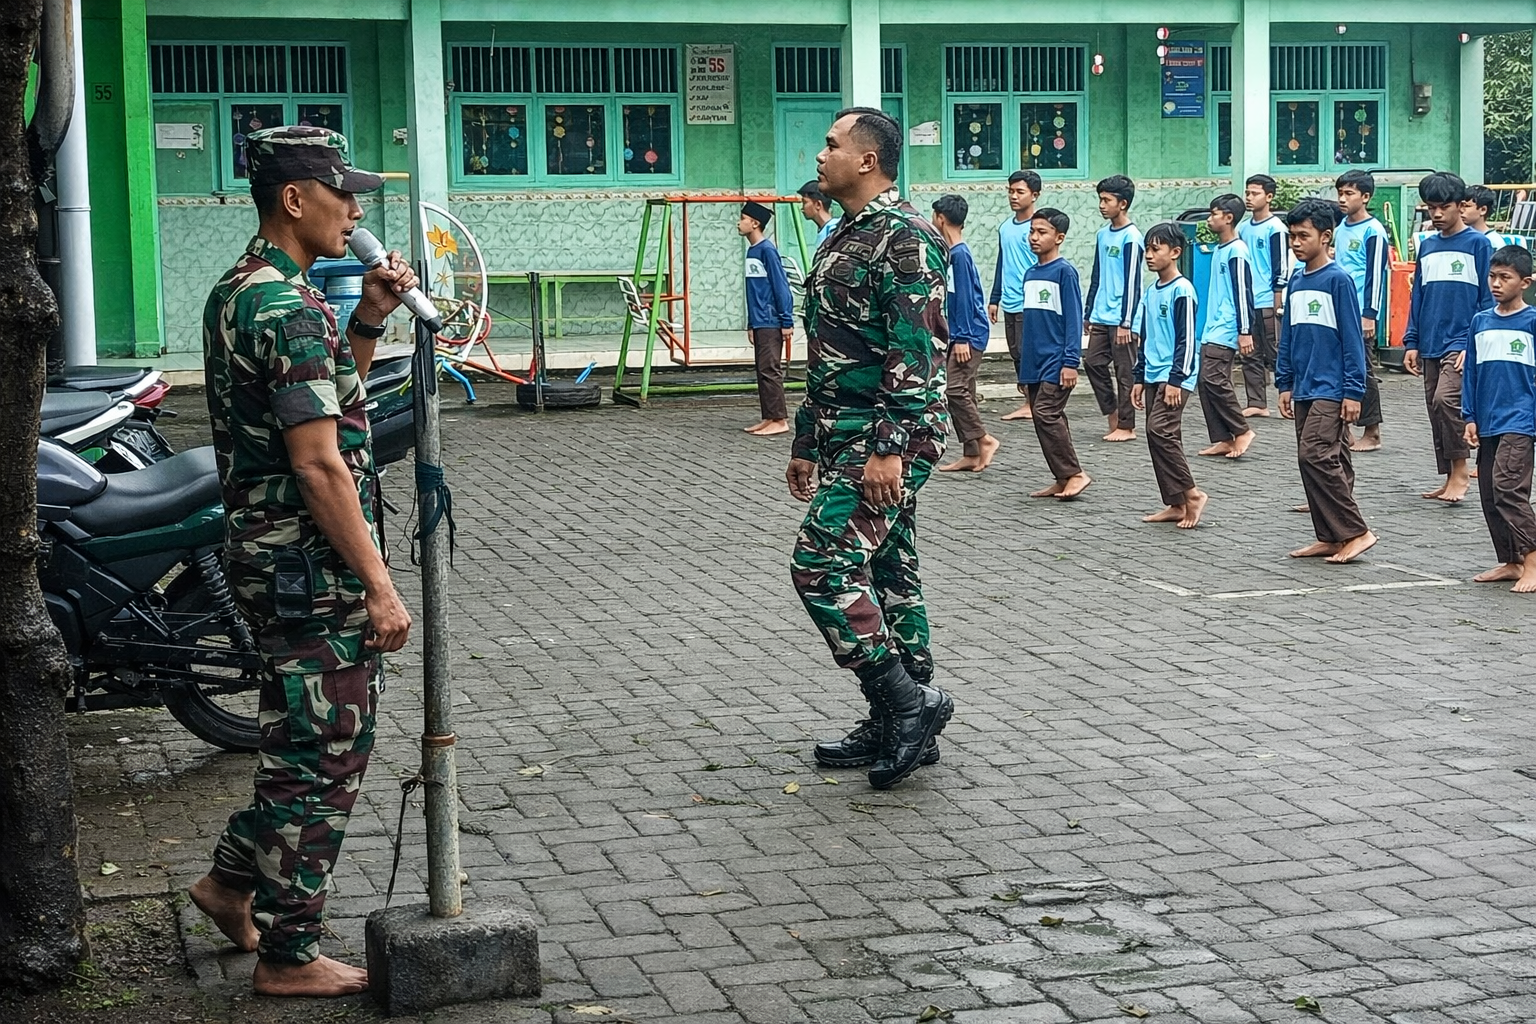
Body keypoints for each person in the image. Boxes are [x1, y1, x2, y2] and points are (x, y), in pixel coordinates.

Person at [189, 127, 414, 998]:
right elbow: (319, 463)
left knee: (300, 746)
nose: (355, 210)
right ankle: (288, 956)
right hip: (309, 569)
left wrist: (368, 319)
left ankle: (228, 885)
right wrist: (380, 586)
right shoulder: (284, 306)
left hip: (273, 560)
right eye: (341, 192)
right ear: (294, 199)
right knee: (326, 755)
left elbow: (322, 402)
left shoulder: (247, 289)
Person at [790, 107, 954, 790]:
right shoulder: (841, 232)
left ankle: (907, 704)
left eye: (831, 145)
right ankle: (900, 722)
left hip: (889, 434)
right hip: (842, 430)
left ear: (867, 160)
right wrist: (806, 436)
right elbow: (828, 346)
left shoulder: (905, 237)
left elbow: (916, 351)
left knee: (821, 563)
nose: (820, 154)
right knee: (889, 568)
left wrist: (889, 449)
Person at [1277, 197, 1378, 564]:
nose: (1296, 243)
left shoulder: (1338, 280)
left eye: (1303, 235)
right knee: (1320, 458)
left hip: (1331, 388)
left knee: (1315, 453)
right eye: (1292, 236)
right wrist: (1284, 382)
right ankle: (1330, 536)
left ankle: (1357, 532)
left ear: (1325, 236)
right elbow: (1288, 335)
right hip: (1303, 385)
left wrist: (1353, 391)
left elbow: (1352, 340)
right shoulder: (1296, 280)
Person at [1403, 171, 1496, 504]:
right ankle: (1448, 475)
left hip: (1462, 341)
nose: (1438, 214)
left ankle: (1461, 473)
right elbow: (1418, 296)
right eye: (1432, 208)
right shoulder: (1427, 246)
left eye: (1444, 207)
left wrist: (1475, 342)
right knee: (1434, 406)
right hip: (1430, 340)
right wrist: (1411, 341)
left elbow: (1488, 299)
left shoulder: (1478, 244)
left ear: (1461, 205)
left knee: (1447, 400)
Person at [1462, 244, 1536, 590]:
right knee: (1490, 493)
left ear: (1525, 282)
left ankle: (1532, 559)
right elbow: (1471, 374)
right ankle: (1511, 560)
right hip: (1488, 418)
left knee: (1508, 487)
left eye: (1505, 277)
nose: (1495, 283)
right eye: (1492, 276)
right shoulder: (1481, 321)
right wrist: (1469, 416)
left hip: (1521, 420)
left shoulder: (1532, 322)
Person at [1130, 222, 1206, 528]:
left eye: (1155, 249)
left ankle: (1192, 494)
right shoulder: (1151, 291)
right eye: (1146, 250)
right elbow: (1145, 336)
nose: (1149, 255)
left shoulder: (1182, 290)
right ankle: (1176, 502)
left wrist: (1176, 379)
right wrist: (1139, 377)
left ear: (1174, 252)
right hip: (1152, 373)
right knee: (1157, 434)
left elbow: (1187, 339)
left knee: (1160, 430)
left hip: (1175, 375)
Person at [1018, 208, 1092, 500]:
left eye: (1042, 232)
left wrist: (1070, 361)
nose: (1034, 237)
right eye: (1032, 231)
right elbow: (1032, 326)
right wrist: (1024, 369)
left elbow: (1073, 320)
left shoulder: (1064, 272)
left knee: (1046, 412)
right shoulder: (1030, 273)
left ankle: (1075, 474)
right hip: (1034, 362)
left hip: (1057, 360)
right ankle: (1062, 477)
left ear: (1059, 237)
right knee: (1043, 417)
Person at [933, 194, 1000, 473]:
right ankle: (971, 453)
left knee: (955, 389)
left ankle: (984, 440)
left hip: (968, 334)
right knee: (965, 391)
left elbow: (964, 299)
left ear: (940, 219)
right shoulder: (954, 252)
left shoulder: (959, 255)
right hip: (961, 332)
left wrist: (962, 337)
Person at [1196, 193, 1259, 459]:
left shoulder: (1237, 250)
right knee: (1204, 381)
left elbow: (1243, 292)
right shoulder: (1220, 249)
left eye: (1214, 214)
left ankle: (1242, 430)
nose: (1210, 219)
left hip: (1227, 325)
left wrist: (1245, 331)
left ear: (1229, 218)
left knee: (1215, 378)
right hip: (1213, 325)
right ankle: (1222, 438)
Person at [1333, 169, 1390, 453]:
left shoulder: (1373, 231)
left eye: (1349, 193)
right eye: (1340, 193)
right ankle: (1343, 428)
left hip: (1360, 313)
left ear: (1365, 197)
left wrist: (1370, 314)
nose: (1342, 199)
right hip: (1339, 309)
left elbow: (1375, 276)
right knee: (1339, 366)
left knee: (1363, 369)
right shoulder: (1340, 228)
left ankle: (1372, 430)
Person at [1083, 174, 1144, 442]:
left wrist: (1126, 322)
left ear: (1123, 203)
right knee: (1093, 363)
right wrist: (1089, 312)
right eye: (1100, 199)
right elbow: (1097, 275)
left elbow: (1133, 283)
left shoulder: (1132, 237)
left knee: (1125, 372)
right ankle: (1113, 412)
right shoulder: (1102, 235)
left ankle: (1127, 426)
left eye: (1107, 200)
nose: (1102, 205)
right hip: (1102, 314)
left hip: (1122, 318)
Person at [989, 170, 1042, 421]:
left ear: (1035, 195)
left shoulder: (1038, 229)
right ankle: (1028, 401)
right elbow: (1002, 263)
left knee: (1026, 351)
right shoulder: (1005, 228)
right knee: (1015, 352)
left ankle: (1034, 403)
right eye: (1011, 191)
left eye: (1020, 192)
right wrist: (995, 298)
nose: (1013, 196)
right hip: (1009, 300)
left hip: (1029, 301)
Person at [739, 201, 795, 436]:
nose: (739, 223)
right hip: (759, 321)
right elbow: (754, 293)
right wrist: (751, 324)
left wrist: (786, 320)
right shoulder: (752, 251)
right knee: (762, 370)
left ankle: (779, 419)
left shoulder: (767, 250)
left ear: (755, 223)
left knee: (770, 369)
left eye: (743, 219)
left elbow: (781, 286)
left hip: (771, 320)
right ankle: (769, 417)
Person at [1238, 174, 1290, 417]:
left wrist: (1277, 298)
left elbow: (1281, 265)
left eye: (1255, 193)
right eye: (1247, 193)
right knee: (1250, 353)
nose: (1249, 197)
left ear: (1269, 197)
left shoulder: (1276, 228)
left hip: (1268, 299)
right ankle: (1257, 402)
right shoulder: (1242, 228)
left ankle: (1291, 396)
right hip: (1248, 301)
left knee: (1276, 351)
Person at [799, 179, 841, 248]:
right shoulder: (825, 230)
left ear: (818, 205)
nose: (802, 208)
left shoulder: (835, 230)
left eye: (805, 202)